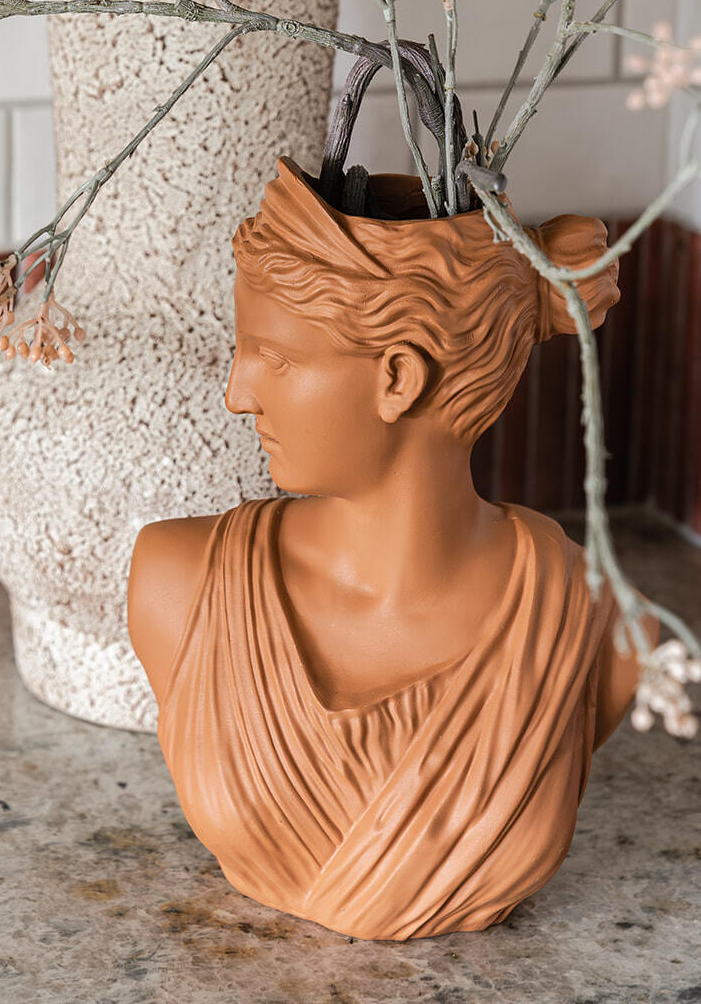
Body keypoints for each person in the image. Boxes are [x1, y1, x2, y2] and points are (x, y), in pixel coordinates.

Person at [128, 157, 658, 941]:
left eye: (276, 358)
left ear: (398, 379)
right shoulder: (177, 581)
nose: (237, 394)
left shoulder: (599, 623)